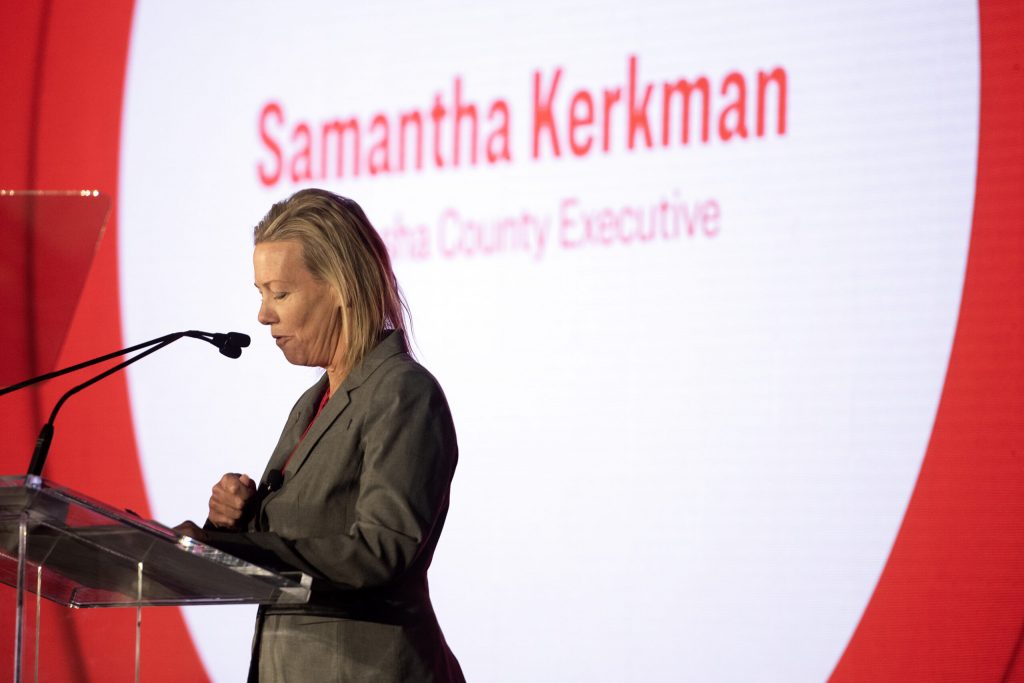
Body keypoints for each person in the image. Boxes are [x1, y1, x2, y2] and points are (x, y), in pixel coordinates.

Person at [176, 188, 464, 682]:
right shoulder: (312, 403)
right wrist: (234, 522)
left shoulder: (403, 394)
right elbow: (302, 536)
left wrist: (235, 550)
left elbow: (380, 551)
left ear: (342, 287)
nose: (264, 315)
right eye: (260, 294)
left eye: (280, 293)